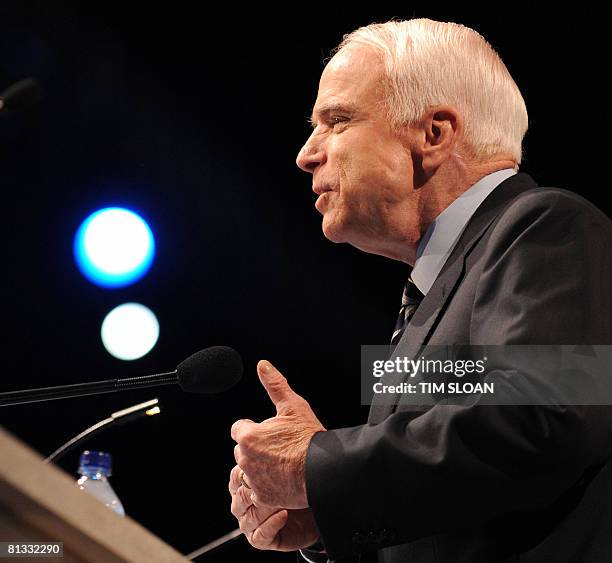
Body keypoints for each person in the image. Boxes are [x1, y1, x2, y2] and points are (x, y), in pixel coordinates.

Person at [228, 18, 612, 562]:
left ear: (434, 133)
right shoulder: (430, 294)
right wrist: (326, 509)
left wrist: (318, 466)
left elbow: (546, 415)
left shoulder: (547, 226)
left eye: (336, 121)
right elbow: (455, 503)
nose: (307, 154)